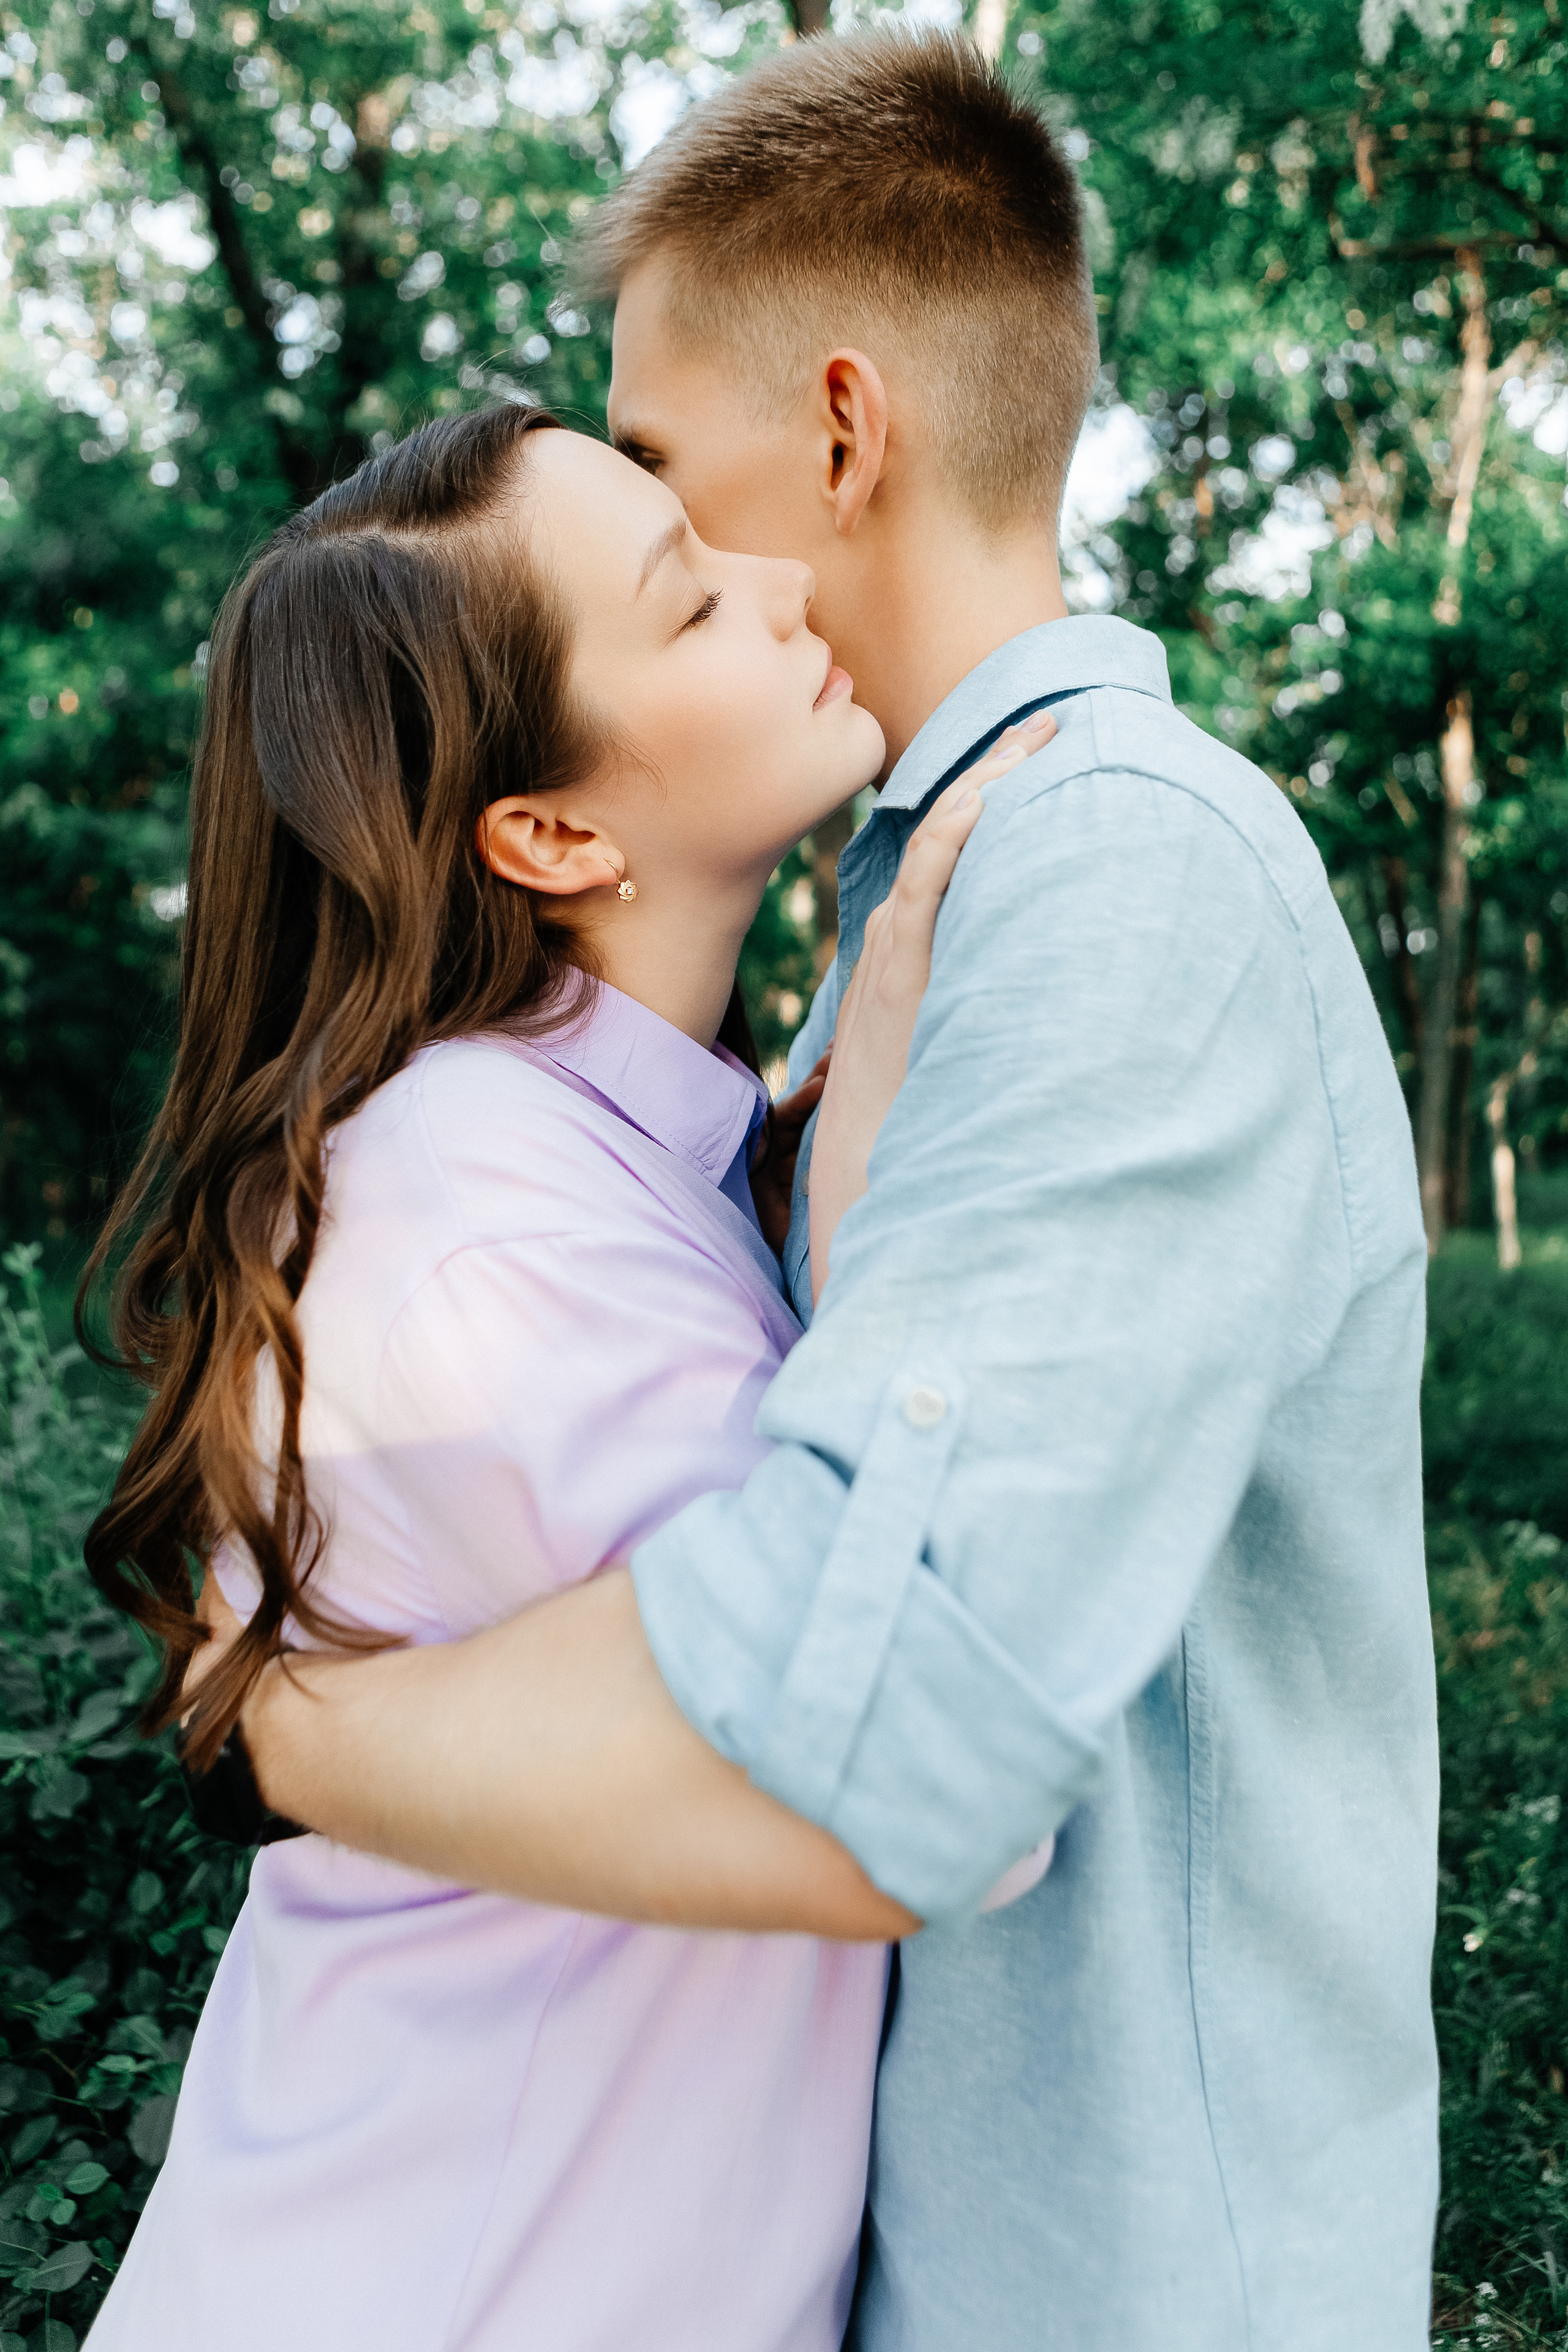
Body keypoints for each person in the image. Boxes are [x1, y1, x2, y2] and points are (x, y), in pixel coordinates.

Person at [184, 32, 1442, 2351]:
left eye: (661, 468)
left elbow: (881, 1746)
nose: (670, 528)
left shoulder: (1106, 874)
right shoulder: (872, 947)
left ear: (842, 431)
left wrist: (298, 1732)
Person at [80, 398, 1048, 2351]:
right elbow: (922, 1784)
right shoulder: (485, 1223)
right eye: (688, 608)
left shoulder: (616, 1156)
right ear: (552, 832)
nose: (781, 583)